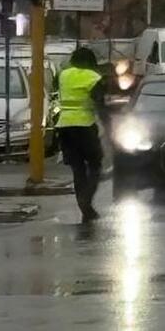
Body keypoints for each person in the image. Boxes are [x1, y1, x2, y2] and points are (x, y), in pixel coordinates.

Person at [56, 47, 108, 223]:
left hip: (64, 125)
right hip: (85, 125)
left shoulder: (63, 75)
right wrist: (109, 125)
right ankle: (86, 200)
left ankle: (83, 204)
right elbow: (99, 103)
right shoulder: (93, 78)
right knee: (95, 164)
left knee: (77, 168)